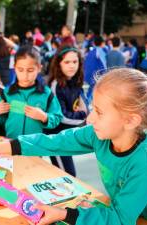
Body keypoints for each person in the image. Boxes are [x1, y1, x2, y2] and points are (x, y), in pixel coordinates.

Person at [0, 68, 147, 225]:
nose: (90, 118)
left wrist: (63, 214)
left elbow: (120, 220)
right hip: (129, 210)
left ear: (131, 120)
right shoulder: (101, 133)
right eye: (92, 108)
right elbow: (54, 141)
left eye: (100, 112)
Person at [0, 46, 63, 139]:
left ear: (39, 68)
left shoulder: (47, 94)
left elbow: (57, 117)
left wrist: (44, 117)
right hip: (11, 146)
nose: (25, 75)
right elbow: (2, 120)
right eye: (20, 70)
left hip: (36, 147)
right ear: (14, 68)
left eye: (30, 70)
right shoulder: (6, 94)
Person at [45, 46, 88, 176]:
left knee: (67, 175)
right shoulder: (56, 85)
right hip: (56, 138)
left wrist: (83, 113)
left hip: (68, 135)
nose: (71, 66)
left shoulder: (76, 81)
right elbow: (61, 116)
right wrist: (83, 115)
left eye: (75, 62)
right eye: (67, 62)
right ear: (59, 64)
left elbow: (84, 105)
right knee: (67, 175)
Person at [83, 36, 107, 102]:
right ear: (102, 43)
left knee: (89, 92)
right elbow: (104, 65)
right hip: (96, 76)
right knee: (95, 93)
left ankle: (86, 103)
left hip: (88, 75)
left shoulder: (91, 51)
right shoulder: (100, 51)